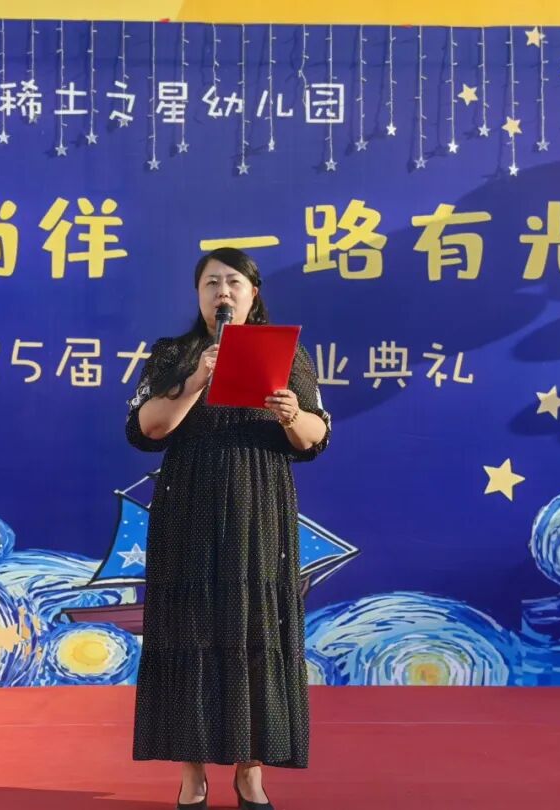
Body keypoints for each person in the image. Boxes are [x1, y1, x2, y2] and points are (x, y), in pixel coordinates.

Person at [126, 247, 331, 809]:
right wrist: (196, 379)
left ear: (252, 293)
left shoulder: (284, 355)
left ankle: (250, 773)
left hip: (258, 504)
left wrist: (291, 414)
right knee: (189, 630)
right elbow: (146, 429)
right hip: (188, 504)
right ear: (199, 295)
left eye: (233, 282)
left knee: (254, 631)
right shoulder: (174, 354)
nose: (223, 291)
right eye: (211, 282)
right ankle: (192, 775)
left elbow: (316, 436)